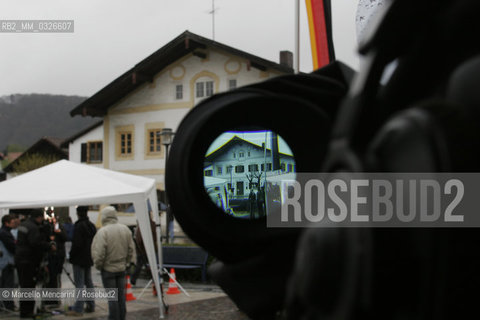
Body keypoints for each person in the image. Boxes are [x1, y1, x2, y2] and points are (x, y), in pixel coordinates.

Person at [91, 206, 134, 320]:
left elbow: (99, 252)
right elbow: (131, 249)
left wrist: (99, 265)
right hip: (121, 268)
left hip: (108, 269)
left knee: (112, 299)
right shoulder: (125, 229)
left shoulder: (103, 231)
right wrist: (127, 262)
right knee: (121, 298)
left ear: (104, 217)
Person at [15, 209, 56, 318]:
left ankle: (24, 311)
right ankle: (27, 312)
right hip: (29, 260)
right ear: (38, 217)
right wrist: (48, 246)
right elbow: (35, 243)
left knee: (24, 286)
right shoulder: (33, 228)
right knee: (29, 287)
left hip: (20, 259)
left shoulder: (23, 225)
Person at [66, 206, 97, 316]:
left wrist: (71, 255)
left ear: (77, 213)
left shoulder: (79, 226)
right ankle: (91, 304)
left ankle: (78, 308)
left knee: (79, 283)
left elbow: (77, 244)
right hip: (88, 257)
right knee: (89, 282)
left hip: (79, 258)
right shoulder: (91, 226)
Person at [44, 215, 67, 308]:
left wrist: (59, 233)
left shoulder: (60, 227)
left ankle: (55, 299)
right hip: (49, 257)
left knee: (56, 277)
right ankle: (49, 299)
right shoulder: (46, 228)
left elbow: (65, 238)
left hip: (58, 256)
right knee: (48, 278)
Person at [130, 216, 157, 286]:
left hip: (142, 249)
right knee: (151, 265)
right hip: (150, 249)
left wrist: (139, 248)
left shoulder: (142, 225)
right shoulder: (153, 224)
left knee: (140, 265)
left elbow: (138, 239)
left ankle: (133, 279)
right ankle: (155, 280)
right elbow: (155, 237)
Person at [0, 214, 17, 311]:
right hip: (6, 262)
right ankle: (8, 305)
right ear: (7, 223)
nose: (14, 224)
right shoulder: (4, 233)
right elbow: (12, 247)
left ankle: (6, 304)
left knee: (5, 284)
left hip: (5, 261)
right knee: (7, 284)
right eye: (12, 223)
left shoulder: (5, 232)